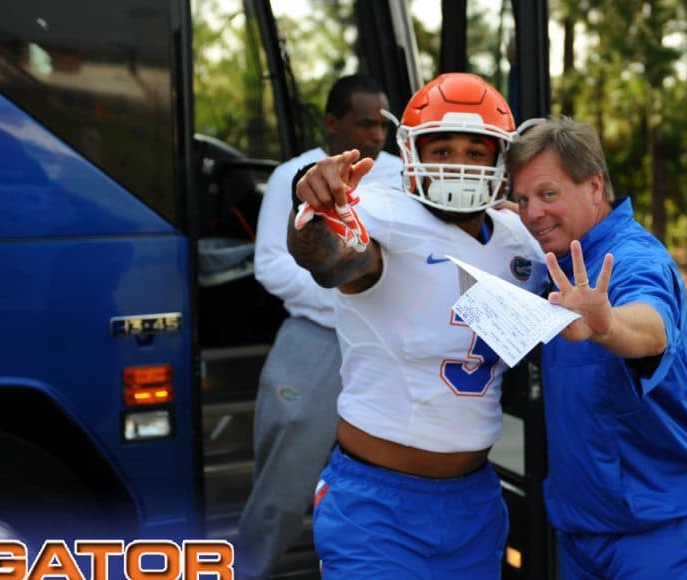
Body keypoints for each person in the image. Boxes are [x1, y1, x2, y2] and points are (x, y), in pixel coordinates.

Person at [287, 72, 547, 579]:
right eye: (443, 149)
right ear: (411, 152)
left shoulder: (520, 240)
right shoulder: (382, 212)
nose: (460, 165)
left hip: (473, 500)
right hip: (376, 506)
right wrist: (315, 215)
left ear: (501, 160)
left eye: (477, 151)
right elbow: (333, 259)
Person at [506, 117, 687, 579]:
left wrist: (606, 324)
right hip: (584, 530)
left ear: (594, 186)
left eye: (548, 194)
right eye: (522, 199)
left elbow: (651, 327)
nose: (532, 212)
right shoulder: (556, 257)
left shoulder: (632, 257)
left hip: (667, 527)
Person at [234, 73, 402, 580]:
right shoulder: (293, 175)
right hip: (316, 345)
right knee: (280, 487)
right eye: (364, 123)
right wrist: (353, 300)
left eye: (383, 124)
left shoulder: (404, 176)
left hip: (388, 349)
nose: (377, 135)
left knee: (388, 482)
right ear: (332, 123)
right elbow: (272, 264)